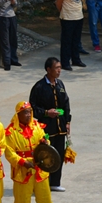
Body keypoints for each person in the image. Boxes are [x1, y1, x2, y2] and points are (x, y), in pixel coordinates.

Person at [4, 101, 61, 203]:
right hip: (22, 171)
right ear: (18, 114)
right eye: (25, 112)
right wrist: (22, 162)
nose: (28, 115)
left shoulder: (37, 126)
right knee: (22, 201)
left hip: (40, 169)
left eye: (29, 111)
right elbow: (9, 152)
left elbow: (45, 139)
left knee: (45, 199)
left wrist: (45, 142)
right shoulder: (11, 131)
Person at [29, 57, 72, 192]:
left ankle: (55, 182)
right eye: (56, 68)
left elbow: (66, 104)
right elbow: (32, 108)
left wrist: (68, 121)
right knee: (46, 155)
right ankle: (42, 183)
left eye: (60, 67)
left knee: (59, 153)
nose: (59, 70)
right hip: (46, 128)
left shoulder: (60, 85)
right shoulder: (39, 87)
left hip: (60, 127)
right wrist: (47, 113)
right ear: (48, 70)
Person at [56, 0, 87, 70]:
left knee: (76, 40)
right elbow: (58, 3)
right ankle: (65, 62)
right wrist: (64, 12)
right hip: (67, 18)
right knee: (66, 41)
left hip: (78, 17)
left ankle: (76, 60)